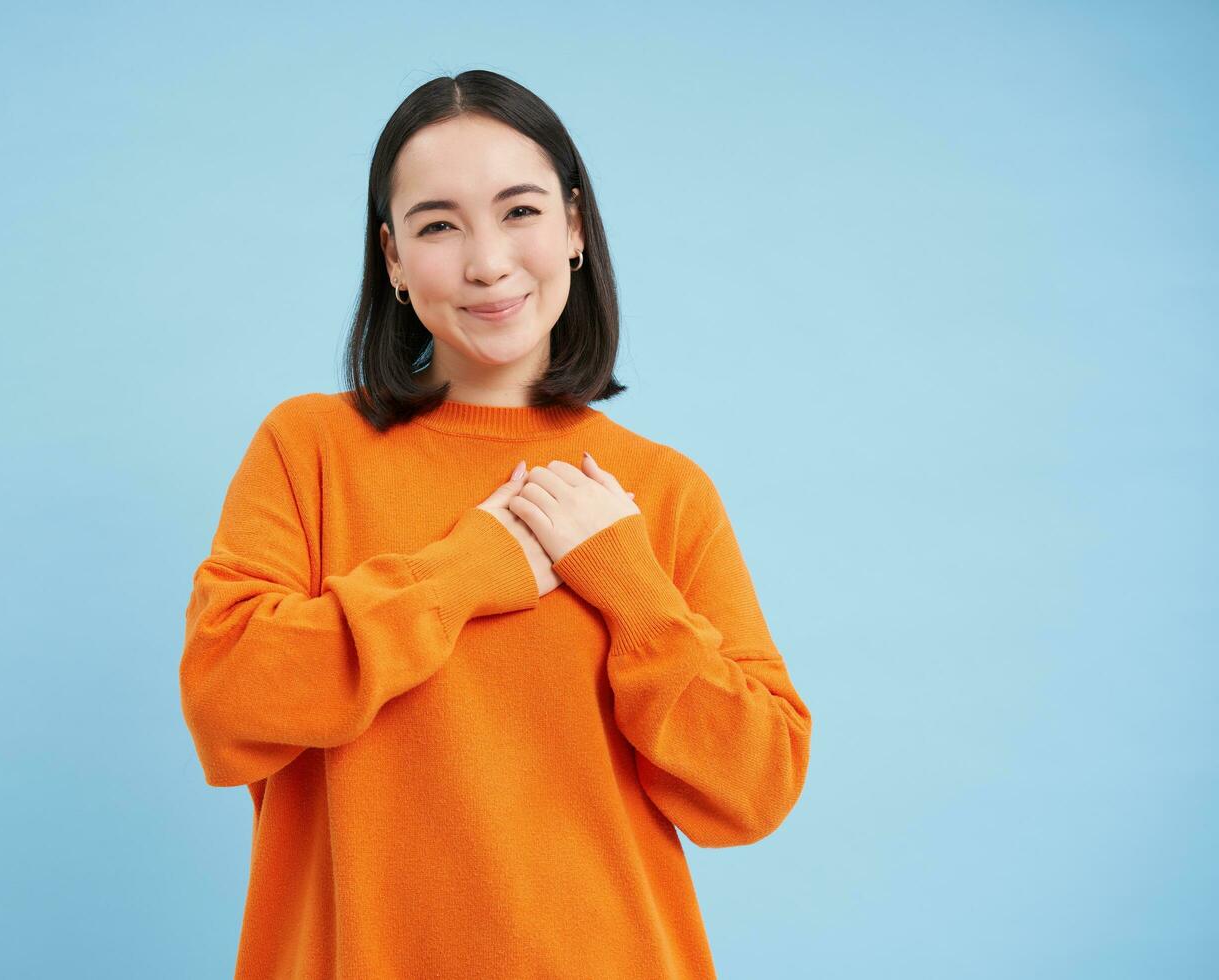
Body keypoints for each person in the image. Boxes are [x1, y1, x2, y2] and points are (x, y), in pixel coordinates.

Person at [179, 69, 812, 980]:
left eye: (520, 211)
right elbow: (228, 698)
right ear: (393, 259)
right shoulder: (309, 448)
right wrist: (469, 569)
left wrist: (630, 591)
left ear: (575, 228)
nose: (487, 261)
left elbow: (752, 790)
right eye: (439, 225)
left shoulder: (662, 493)